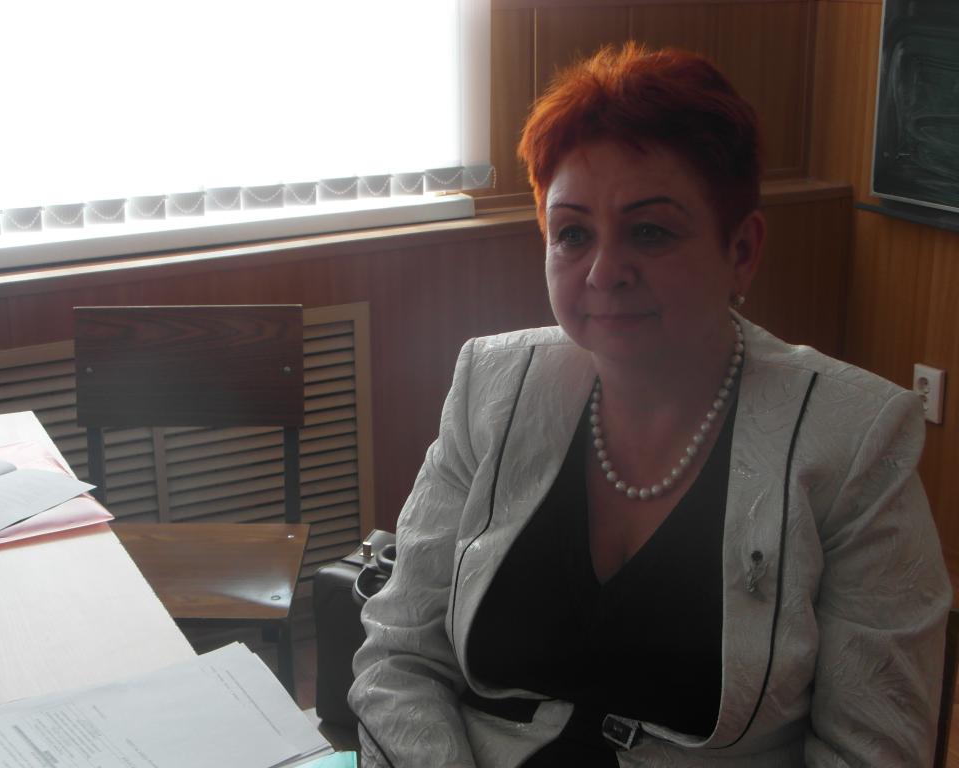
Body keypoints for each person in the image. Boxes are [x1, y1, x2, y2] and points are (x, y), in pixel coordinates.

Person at [348, 42, 952, 767]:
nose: (604, 272)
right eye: (573, 234)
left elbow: (872, 751)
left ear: (742, 250)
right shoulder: (492, 386)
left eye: (650, 231)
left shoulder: (855, 440)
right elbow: (399, 657)